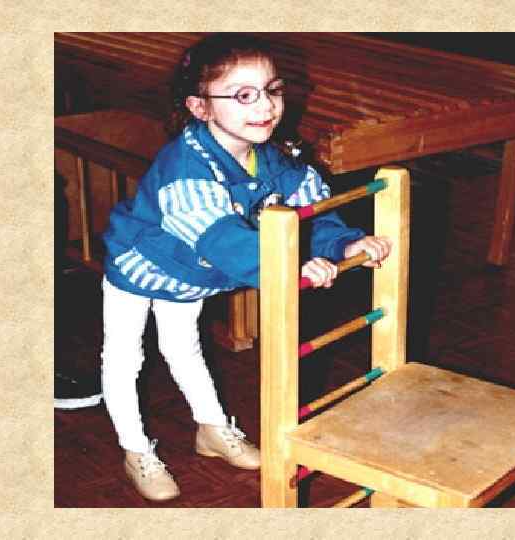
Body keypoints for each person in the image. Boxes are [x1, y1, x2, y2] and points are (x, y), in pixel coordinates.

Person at [100, 33, 391, 502]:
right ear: (200, 107)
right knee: (124, 356)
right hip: (141, 265)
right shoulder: (187, 171)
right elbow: (225, 242)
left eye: (272, 90)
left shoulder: (271, 157)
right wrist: (294, 267)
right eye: (242, 95)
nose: (265, 106)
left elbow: (309, 211)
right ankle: (135, 450)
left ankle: (212, 429)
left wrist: (345, 243)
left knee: (184, 347)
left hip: (192, 274)